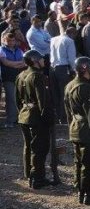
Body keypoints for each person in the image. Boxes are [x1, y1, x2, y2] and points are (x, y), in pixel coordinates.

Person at [64, 57, 90, 205]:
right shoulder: (86, 88)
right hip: (87, 131)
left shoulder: (69, 85)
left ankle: (80, 190)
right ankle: (88, 193)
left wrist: (71, 127)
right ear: (85, 70)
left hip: (75, 128)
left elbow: (68, 112)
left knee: (79, 162)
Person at [16, 50, 52, 188]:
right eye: (41, 59)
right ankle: (37, 178)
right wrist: (48, 119)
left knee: (28, 146)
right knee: (39, 148)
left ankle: (29, 174)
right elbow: (42, 100)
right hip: (36, 117)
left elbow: (17, 99)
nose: (43, 60)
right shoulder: (37, 76)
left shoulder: (21, 75)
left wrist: (23, 112)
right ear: (35, 61)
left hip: (24, 115)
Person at [49, 24, 77, 123]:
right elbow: (71, 59)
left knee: (55, 93)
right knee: (64, 93)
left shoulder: (53, 39)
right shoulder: (69, 41)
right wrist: (74, 70)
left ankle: (57, 116)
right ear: (72, 33)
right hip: (63, 68)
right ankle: (64, 116)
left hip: (52, 68)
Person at [0, 31, 26, 129]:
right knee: (11, 98)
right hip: (8, 77)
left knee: (19, 98)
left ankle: (18, 118)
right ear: (4, 41)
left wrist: (14, 64)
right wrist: (17, 64)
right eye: (9, 41)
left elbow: (24, 63)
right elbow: (5, 63)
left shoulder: (19, 50)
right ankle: (10, 120)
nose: (11, 42)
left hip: (18, 77)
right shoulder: (2, 50)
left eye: (13, 40)